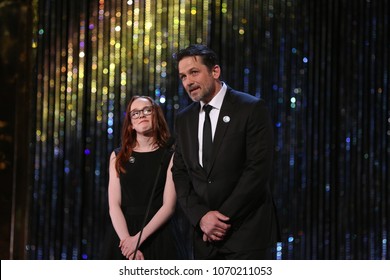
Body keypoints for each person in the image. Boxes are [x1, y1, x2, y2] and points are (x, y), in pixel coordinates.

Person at [172, 44, 279, 260]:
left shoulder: (250, 108)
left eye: (194, 72)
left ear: (215, 71)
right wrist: (201, 217)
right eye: (183, 76)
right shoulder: (184, 119)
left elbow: (257, 171)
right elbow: (180, 173)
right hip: (204, 238)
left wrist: (219, 220)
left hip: (246, 234)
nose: (188, 82)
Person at [105, 95, 177, 260]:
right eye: (135, 113)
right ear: (130, 123)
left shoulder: (170, 155)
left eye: (146, 110)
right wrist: (128, 243)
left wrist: (137, 240)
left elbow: (169, 206)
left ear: (156, 116)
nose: (141, 115)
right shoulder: (118, 156)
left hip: (158, 234)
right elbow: (114, 205)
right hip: (123, 234)